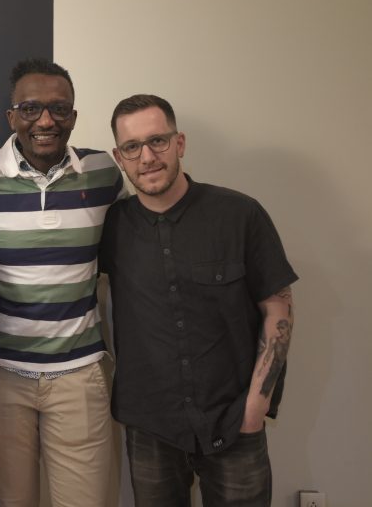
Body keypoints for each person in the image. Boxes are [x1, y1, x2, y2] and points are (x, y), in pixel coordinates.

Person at [100, 94, 298, 507]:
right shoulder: (111, 226)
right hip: (149, 424)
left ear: (180, 143)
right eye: (133, 147)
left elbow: (278, 308)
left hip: (233, 417)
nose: (148, 157)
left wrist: (255, 407)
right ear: (119, 157)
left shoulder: (239, 214)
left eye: (158, 141)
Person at [0, 59, 126, 506]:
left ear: (74, 116)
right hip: (2, 376)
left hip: (79, 377)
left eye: (60, 109)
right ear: (11, 116)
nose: (47, 121)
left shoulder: (104, 174)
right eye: (31, 108)